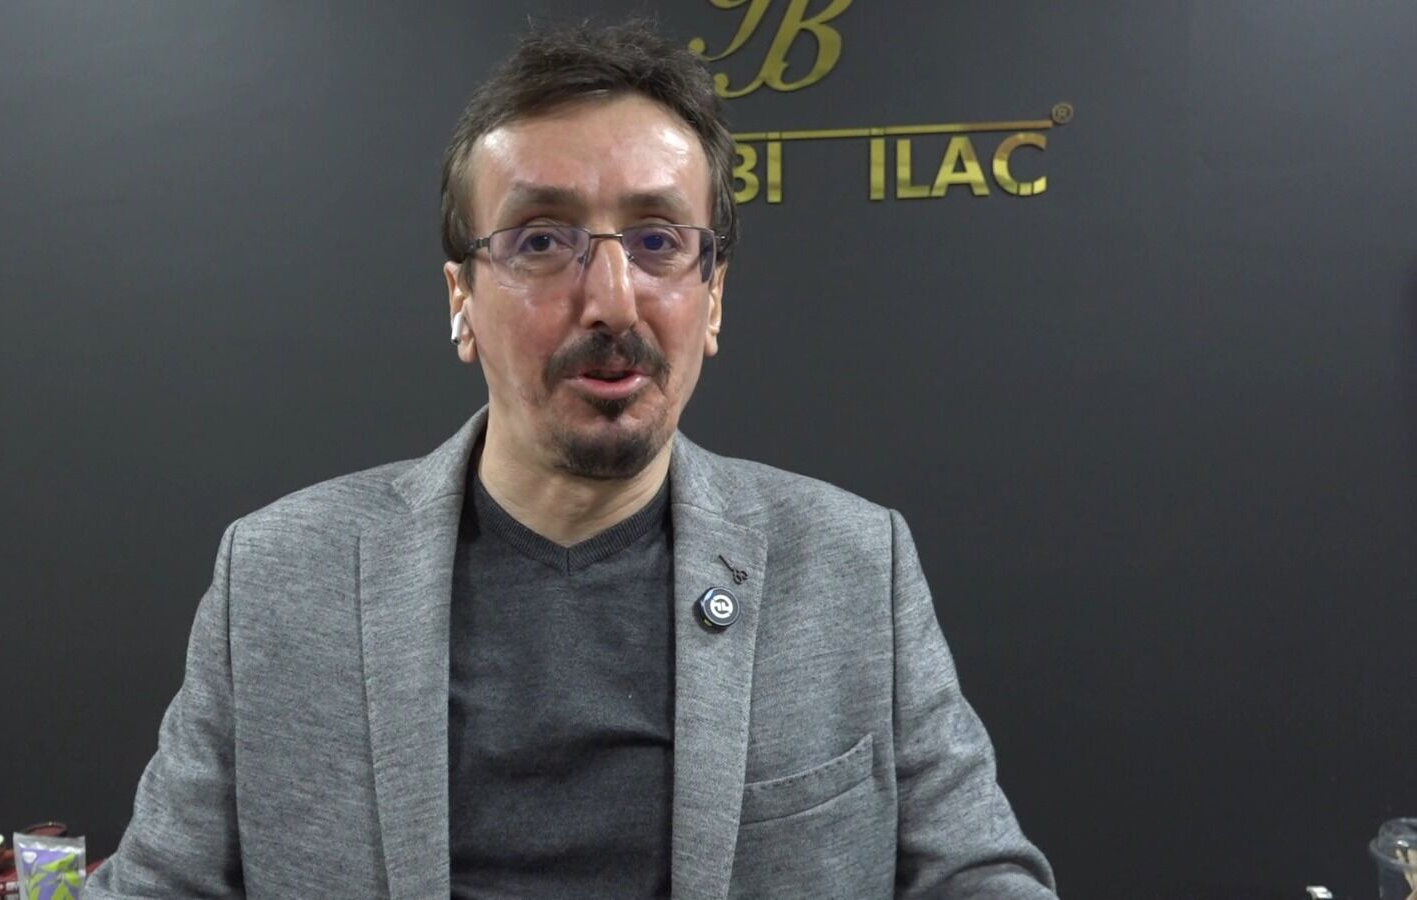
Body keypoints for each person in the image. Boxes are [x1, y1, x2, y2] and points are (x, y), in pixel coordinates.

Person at [84, 19, 1058, 900]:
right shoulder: (278, 575)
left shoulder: (853, 565)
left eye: (657, 240)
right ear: (461, 300)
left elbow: (978, 875)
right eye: (542, 240)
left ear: (713, 299)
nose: (612, 301)